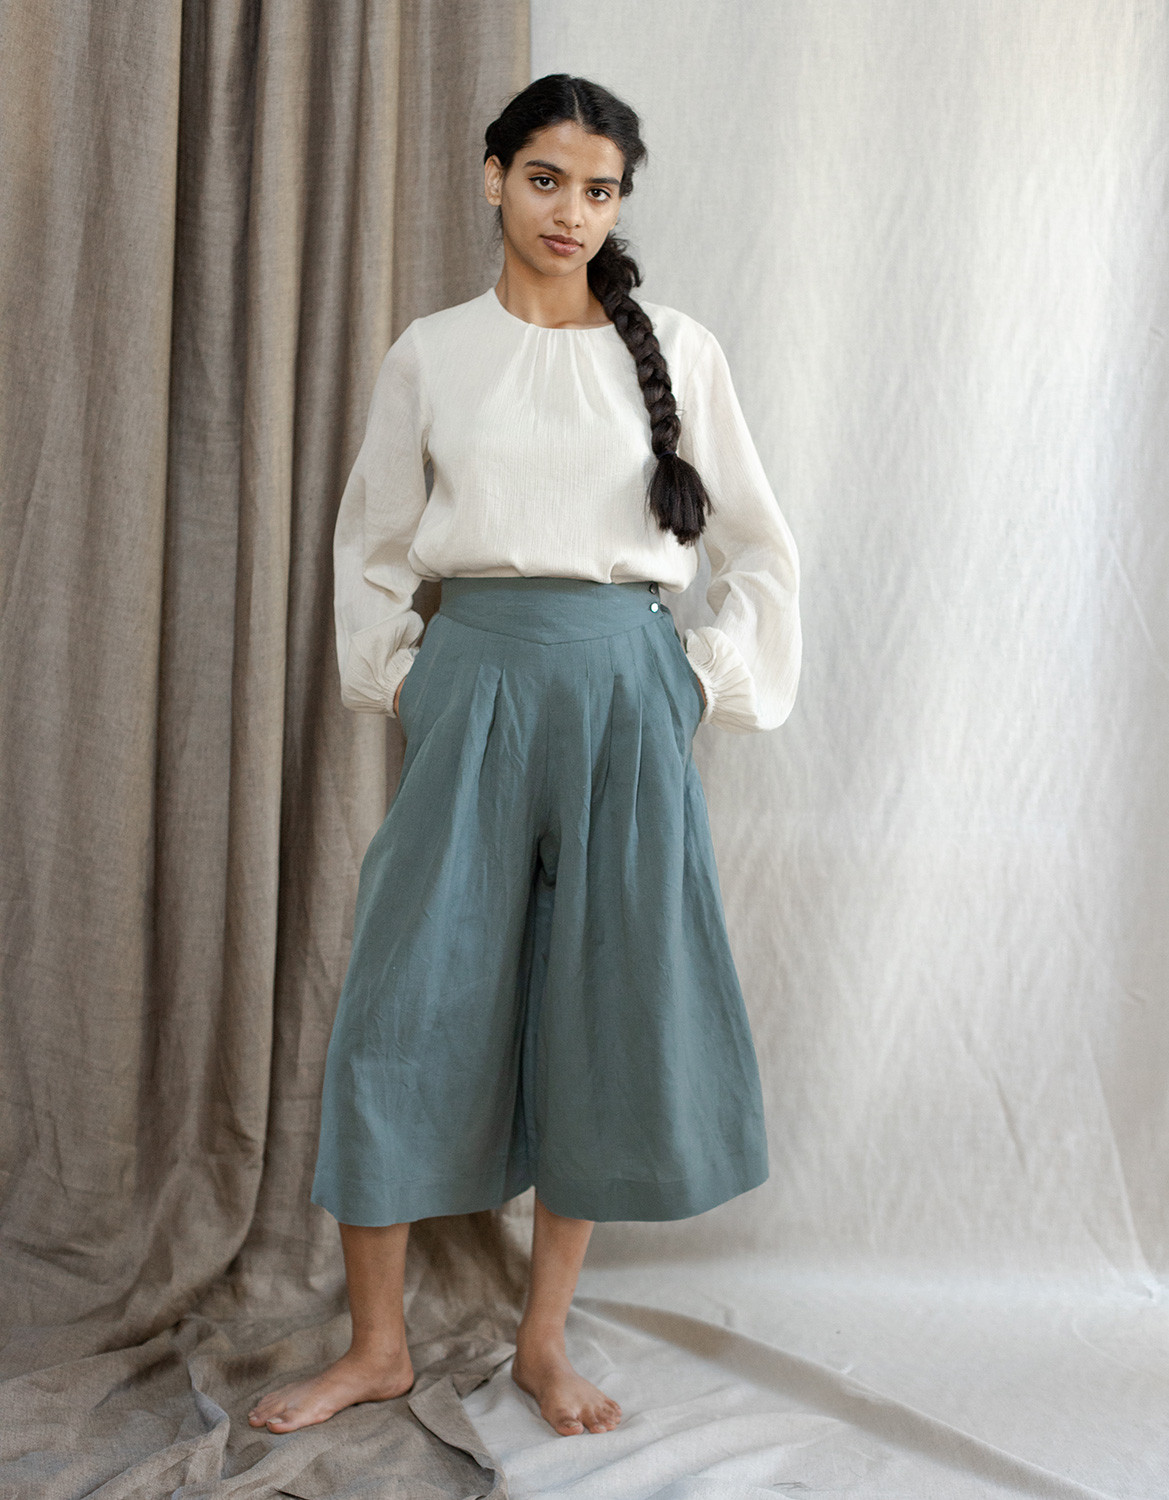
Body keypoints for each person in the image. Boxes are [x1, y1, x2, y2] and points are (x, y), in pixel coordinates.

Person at [249, 73, 801, 1442]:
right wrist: (408, 678)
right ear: (493, 176)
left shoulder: (679, 348)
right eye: (546, 178)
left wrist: (694, 676)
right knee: (400, 997)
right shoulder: (433, 352)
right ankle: (376, 1347)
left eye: (600, 190)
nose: (572, 212)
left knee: (598, 1006)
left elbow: (758, 546)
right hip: (476, 682)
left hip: (626, 688)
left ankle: (541, 1341)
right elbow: (372, 543)